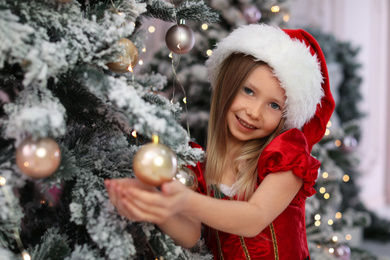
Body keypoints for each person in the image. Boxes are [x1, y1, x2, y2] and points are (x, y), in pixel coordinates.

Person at [105, 24, 335, 260]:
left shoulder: (285, 154)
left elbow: (254, 218)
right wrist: (156, 206)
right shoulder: (201, 166)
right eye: (248, 91)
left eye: (274, 105)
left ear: (285, 117)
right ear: (228, 85)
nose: (254, 112)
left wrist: (185, 200)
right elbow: (191, 235)